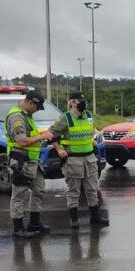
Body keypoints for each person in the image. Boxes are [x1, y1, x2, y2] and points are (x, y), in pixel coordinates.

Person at [49, 91, 109, 229]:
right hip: (73, 160)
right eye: (78, 101)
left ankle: (95, 217)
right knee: (74, 190)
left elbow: (93, 130)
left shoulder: (88, 115)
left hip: (90, 158)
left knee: (92, 189)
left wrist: (93, 139)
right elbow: (51, 134)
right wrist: (59, 149)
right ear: (71, 102)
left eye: (82, 100)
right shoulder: (65, 118)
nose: (82, 103)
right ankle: (73, 218)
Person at [6, 90, 56, 238]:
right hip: (21, 161)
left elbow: (31, 136)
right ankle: (18, 228)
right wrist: (43, 136)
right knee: (19, 194)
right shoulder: (17, 117)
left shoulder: (27, 115)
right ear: (30, 103)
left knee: (39, 190)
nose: (37, 111)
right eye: (37, 107)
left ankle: (34, 223)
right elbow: (22, 141)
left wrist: (42, 138)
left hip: (33, 161)